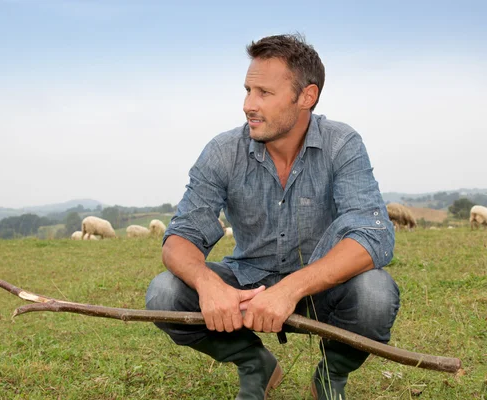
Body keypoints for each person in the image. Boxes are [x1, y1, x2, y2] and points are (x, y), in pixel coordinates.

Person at [146, 33, 400, 400]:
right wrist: (208, 285)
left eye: (264, 93)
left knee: (375, 294)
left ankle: (331, 377)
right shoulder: (222, 151)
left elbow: (374, 235)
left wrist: (289, 290)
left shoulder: (341, 144)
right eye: (248, 90)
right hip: (245, 286)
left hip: (320, 289)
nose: (249, 104)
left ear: (306, 97)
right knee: (164, 292)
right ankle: (254, 364)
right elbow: (180, 238)